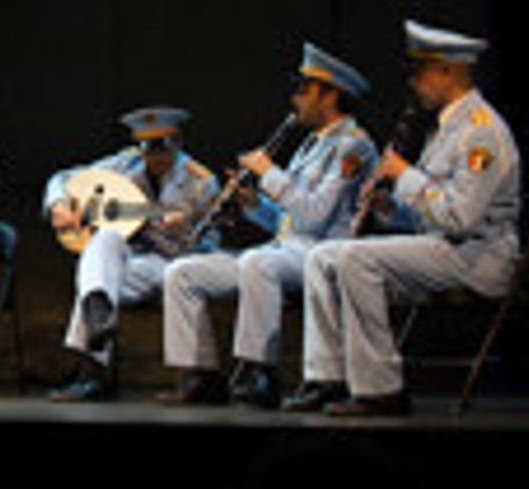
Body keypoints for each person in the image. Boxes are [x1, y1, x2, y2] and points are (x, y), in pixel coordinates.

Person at [286, 20, 520, 416]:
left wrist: (403, 175)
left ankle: (381, 389)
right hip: (444, 247)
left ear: (448, 71)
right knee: (323, 255)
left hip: (478, 257)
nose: (414, 83)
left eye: (420, 72)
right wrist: (388, 210)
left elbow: (461, 218)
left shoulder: (481, 132)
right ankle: (327, 378)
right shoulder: (446, 127)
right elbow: (427, 218)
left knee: (355, 259)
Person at [160, 43, 377, 407]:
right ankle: (200, 377)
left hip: (321, 254)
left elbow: (316, 215)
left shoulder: (354, 146)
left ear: (330, 96)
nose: (296, 100)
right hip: (286, 249)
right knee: (183, 272)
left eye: (304, 90)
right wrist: (252, 204)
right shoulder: (311, 143)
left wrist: (269, 173)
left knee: (257, 263)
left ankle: (262, 372)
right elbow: (288, 219)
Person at [45, 106, 219, 402]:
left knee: (98, 276)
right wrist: (58, 205)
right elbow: (62, 177)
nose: (155, 158)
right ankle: (96, 355)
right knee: (101, 250)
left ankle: (195, 379)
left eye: (162, 148)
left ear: (177, 142)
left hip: (175, 263)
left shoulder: (200, 181)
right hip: (136, 263)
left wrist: (184, 231)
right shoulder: (126, 164)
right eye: (148, 149)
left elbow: (210, 245)